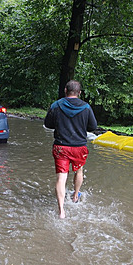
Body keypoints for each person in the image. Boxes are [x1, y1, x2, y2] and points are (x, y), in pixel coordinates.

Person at [44, 80, 97, 219]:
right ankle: (75, 195)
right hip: (79, 147)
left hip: (61, 146)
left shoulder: (56, 105)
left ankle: (61, 211)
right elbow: (92, 127)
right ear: (79, 93)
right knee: (78, 170)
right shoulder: (86, 107)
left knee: (61, 177)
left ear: (65, 91)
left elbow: (47, 124)